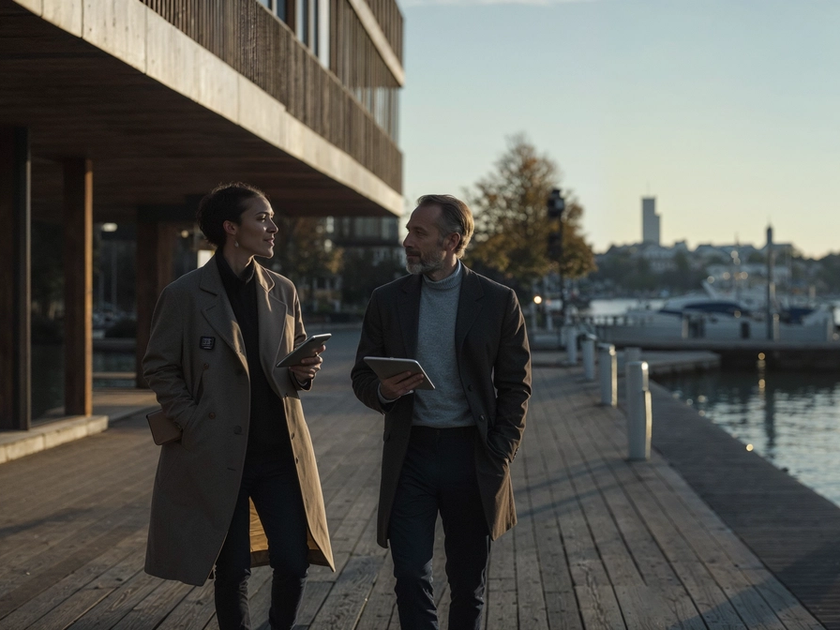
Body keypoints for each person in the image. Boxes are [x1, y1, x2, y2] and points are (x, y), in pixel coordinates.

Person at [143, 182, 334, 630]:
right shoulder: (184, 295)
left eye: (270, 218)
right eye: (262, 218)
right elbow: (158, 366)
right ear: (231, 228)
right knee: (231, 569)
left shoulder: (282, 290)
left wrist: (304, 370)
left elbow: (291, 361)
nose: (273, 227)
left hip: (279, 454)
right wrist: (193, 420)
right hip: (217, 452)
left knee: (293, 560)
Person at [351, 194, 532, 629]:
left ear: (451, 240)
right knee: (410, 574)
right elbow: (362, 377)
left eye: (419, 233)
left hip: (472, 456)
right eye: (409, 230)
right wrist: (386, 392)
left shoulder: (497, 300)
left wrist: (500, 453)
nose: (407, 241)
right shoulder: (386, 299)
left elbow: (515, 386)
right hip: (410, 455)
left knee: (468, 582)